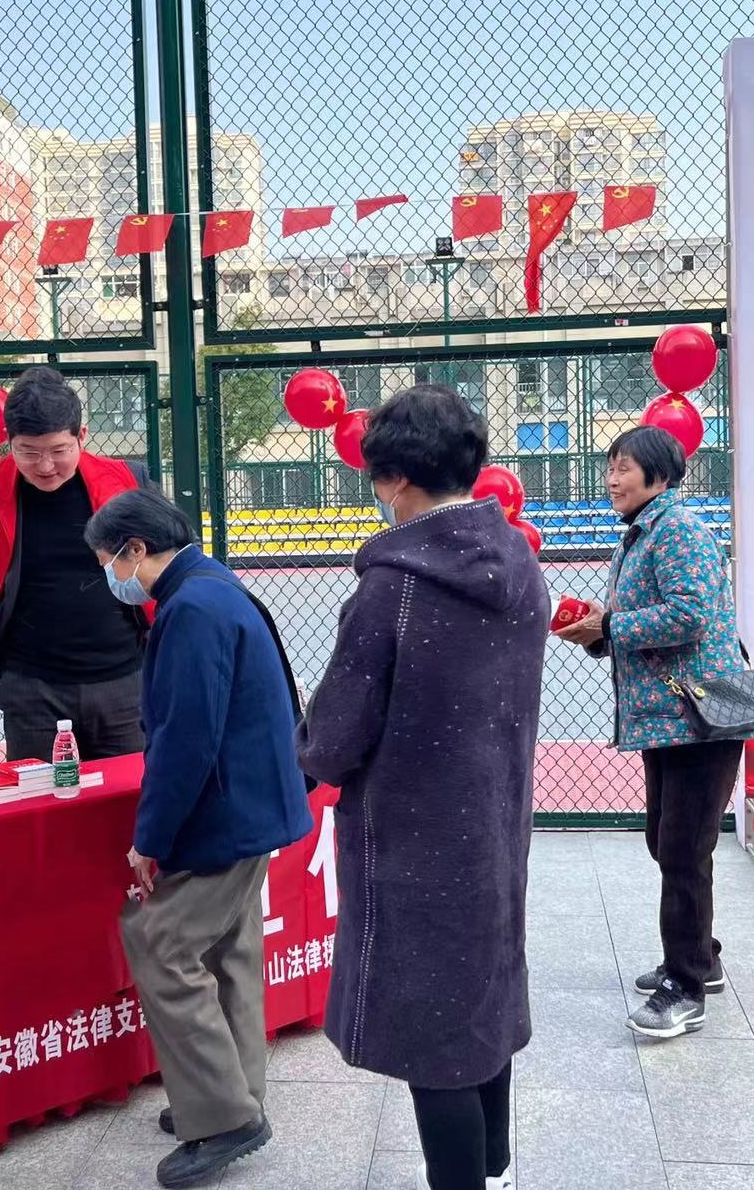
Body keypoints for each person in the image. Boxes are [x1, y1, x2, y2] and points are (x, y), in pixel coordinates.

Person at [297, 383, 547, 1190]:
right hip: (496, 821)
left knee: (431, 1035)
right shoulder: (521, 564)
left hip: (412, 836)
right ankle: (495, 1163)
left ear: (396, 477)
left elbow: (335, 736)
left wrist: (301, 751)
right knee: (480, 1001)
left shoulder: (393, 586)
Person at [84, 487, 311, 1189]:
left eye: (108, 562)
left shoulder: (190, 610)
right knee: (228, 948)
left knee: (160, 941)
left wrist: (150, 838)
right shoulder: (215, 584)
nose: (111, 577)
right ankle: (230, 1094)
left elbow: (185, 738)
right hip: (253, 804)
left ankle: (224, 1117)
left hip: (225, 811)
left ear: (136, 550)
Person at [553, 425, 748, 1041]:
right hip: (669, 717)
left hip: (699, 718)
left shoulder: (677, 529)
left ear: (660, 475)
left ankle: (685, 986)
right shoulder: (643, 533)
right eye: (610, 467)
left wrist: (610, 626)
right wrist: (599, 629)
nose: (612, 479)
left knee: (682, 850)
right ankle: (702, 957)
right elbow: (642, 621)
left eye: (625, 468)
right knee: (669, 843)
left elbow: (691, 614)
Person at [0, 365, 155, 764]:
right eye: (29, 452)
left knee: (131, 797)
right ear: (9, 442)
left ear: (81, 436)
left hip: (125, 682)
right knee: (39, 801)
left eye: (58, 451)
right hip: (30, 689)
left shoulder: (127, 481)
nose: (46, 466)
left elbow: (176, 561)